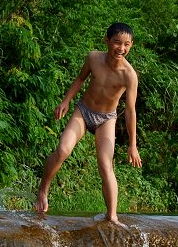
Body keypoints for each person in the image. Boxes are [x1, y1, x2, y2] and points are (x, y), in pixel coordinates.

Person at [34, 22, 142, 223]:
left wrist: (132, 145)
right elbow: (80, 79)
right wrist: (66, 101)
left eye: (126, 44)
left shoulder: (129, 75)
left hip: (106, 119)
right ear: (107, 41)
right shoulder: (93, 58)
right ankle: (43, 190)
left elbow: (130, 110)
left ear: (131, 45)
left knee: (105, 164)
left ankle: (112, 216)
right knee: (63, 149)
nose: (121, 48)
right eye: (117, 42)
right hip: (83, 111)